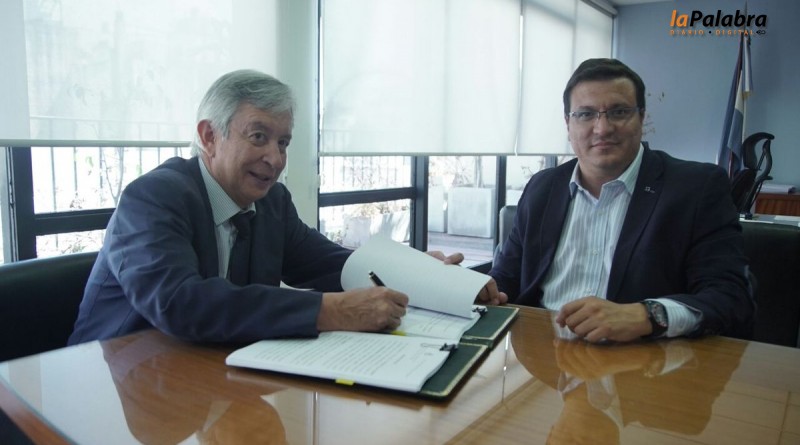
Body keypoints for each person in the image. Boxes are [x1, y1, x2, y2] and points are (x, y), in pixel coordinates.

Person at [69, 69, 506, 345]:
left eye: (283, 142)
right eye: (259, 137)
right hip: (116, 377)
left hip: (213, 369)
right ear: (209, 136)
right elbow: (181, 303)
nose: (275, 159)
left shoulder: (271, 202)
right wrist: (329, 311)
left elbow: (332, 263)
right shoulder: (153, 198)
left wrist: (426, 274)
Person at [490, 58, 754, 343]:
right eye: (586, 114)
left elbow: (730, 298)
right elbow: (506, 279)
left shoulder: (696, 188)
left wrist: (647, 315)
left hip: (646, 358)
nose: (602, 128)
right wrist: (470, 287)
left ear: (641, 118)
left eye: (618, 112)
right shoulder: (542, 187)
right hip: (543, 352)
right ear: (568, 123)